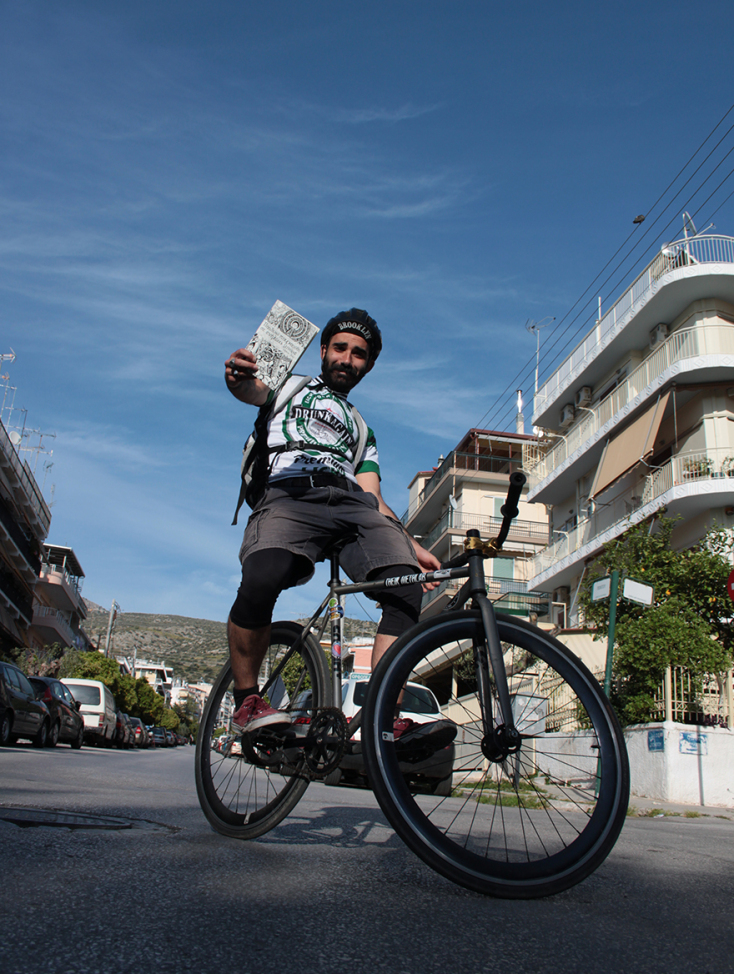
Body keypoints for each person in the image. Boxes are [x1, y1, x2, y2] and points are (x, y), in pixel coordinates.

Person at [224, 308, 442, 736]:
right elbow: (249, 389)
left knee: (405, 587)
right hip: (289, 494)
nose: (347, 359)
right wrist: (237, 376)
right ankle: (247, 699)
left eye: (359, 354)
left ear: (369, 365)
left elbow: (374, 496)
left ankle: (381, 719)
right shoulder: (288, 386)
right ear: (323, 351)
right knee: (263, 575)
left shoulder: (362, 429)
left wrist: (411, 545)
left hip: (351, 504)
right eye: (340, 348)